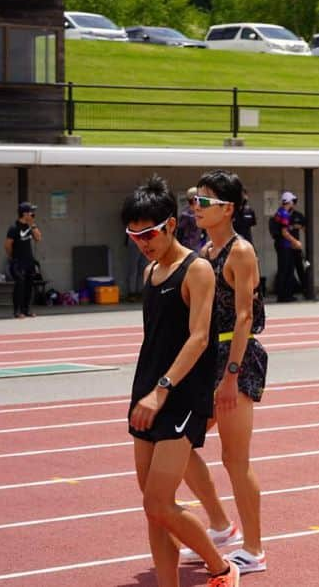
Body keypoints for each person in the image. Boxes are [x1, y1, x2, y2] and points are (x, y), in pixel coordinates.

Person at [121, 176, 239, 587]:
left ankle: (222, 569)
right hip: (147, 391)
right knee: (154, 508)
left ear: (171, 224)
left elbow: (200, 337)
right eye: (134, 236)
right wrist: (145, 392)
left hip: (180, 393)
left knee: (158, 502)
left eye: (149, 233)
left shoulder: (198, 269)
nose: (143, 242)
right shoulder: (151, 270)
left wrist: (162, 389)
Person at [179, 170, 269, 575]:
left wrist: (231, 376)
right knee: (176, 441)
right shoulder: (203, 252)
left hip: (236, 356)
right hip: (206, 358)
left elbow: (246, 315)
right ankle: (219, 526)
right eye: (194, 200)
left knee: (234, 458)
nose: (195, 207)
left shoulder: (240, 251)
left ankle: (253, 549)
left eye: (204, 201)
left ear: (228, 208)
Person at [5, 202, 41, 318]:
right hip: (18, 262)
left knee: (29, 286)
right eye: (31, 212)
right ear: (24, 213)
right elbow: (7, 245)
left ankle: (27, 310)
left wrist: (33, 224)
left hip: (29, 261)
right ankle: (17, 311)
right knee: (20, 284)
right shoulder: (14, 228)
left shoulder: (30, 227)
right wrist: (12, 257)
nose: (33, 214)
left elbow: (38, 238)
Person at [269, 192, 302, 303]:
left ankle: (284, 294)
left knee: (284, 269)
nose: (293, 203)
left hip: (281, 245)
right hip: (284, 246)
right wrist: (295, 242)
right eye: (293, 201)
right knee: (287, 270)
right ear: (289, 202)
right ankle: (284, 295)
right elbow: (284, 232)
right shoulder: (284, 214)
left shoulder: (278, 212)